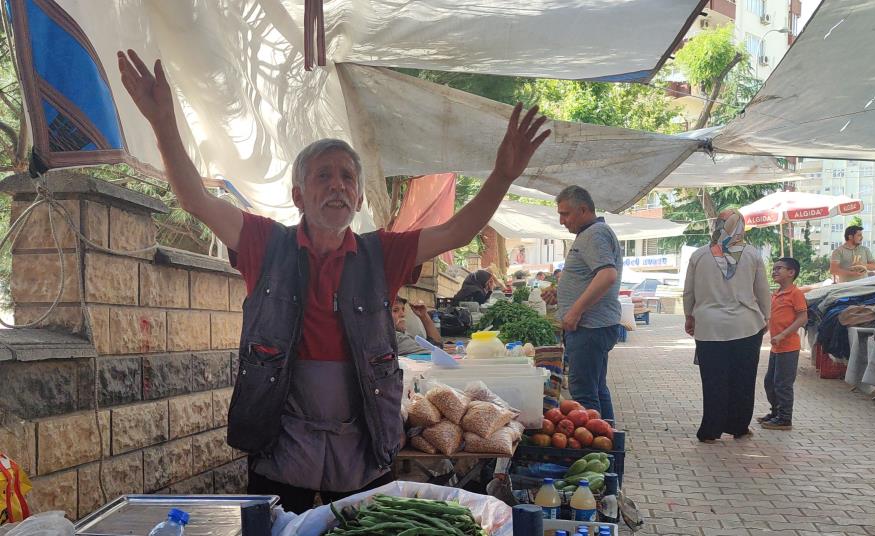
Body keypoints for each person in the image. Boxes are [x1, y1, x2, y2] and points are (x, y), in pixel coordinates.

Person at [118, 50, 550, 513]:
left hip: (363, 437)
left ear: (359, 196)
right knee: (283, 527)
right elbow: (196, 200)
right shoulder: (266, 243)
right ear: (298, 195)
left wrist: (502, 175)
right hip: (281, 436)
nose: (337, 185)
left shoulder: (381, 253)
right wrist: (163, 123)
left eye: (347, 177)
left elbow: (456, 232)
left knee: (363, 527)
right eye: (323, 175)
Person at [683, 209, 770, 443]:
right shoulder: (752, 255)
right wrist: (766, 316)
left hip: (709, 326)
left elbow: (689, 291)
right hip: (746, 326)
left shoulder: (700, 255)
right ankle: (738, 426)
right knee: (743, 378)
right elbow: (762, 290)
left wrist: (689, 316)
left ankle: (710, 430)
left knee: (713, 379)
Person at [553, 186, 623, 421]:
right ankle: (609, 439)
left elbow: (607, 275)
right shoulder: (591, 233)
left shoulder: (595, 234)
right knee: (597, 390)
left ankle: (598, 443)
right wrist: (560, 292)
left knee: (584, 395)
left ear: (583, 210)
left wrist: (574, 311)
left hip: (589, 327)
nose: (562, 221)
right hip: (594, 327)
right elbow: (591, 277)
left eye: (565, 214)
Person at [759, 257, 808, 431]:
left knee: (783, 384)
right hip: (777, 347)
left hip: (789, 347)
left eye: (779, 268)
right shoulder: (776, 294)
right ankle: (775, 413)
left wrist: (783, 334)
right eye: (774, 268)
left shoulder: (795, 293)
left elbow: (802, 318)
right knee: (770, 382)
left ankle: (785, 418)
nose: (774, 271)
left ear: (791, 272)